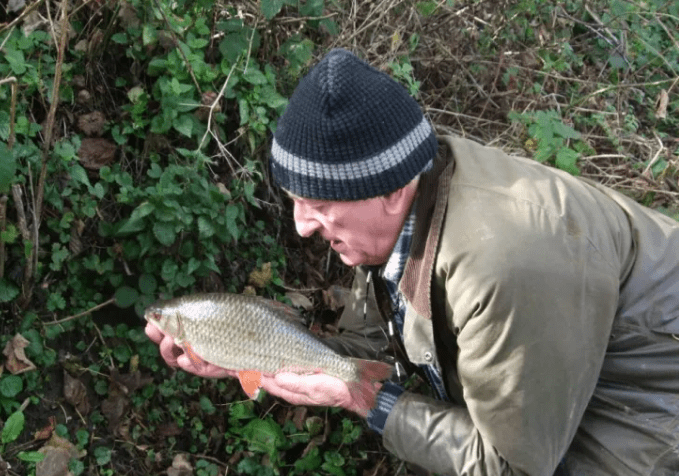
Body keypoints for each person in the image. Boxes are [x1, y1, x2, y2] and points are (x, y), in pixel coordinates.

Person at [146, 49, 679, 475]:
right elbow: (375, 343)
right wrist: (255, 353)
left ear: (393, 191)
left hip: (652, 396)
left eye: (320, 205)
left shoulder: (503, 266)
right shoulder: (394, 207)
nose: (302, 225)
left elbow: (514, 466)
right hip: (567, 356)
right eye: (295, 200)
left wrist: (369, 400)